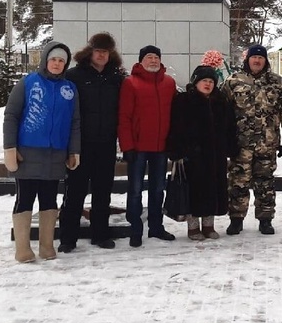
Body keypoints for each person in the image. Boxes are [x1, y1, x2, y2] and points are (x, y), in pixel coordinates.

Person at [3, 41, 81, 263]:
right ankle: (23, 249)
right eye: (53, 59)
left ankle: (47, 246)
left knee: (49, 200)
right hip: (27, 153)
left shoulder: (69, 89)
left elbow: (75, 122)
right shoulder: (28, 82)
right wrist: (10, 147)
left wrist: (74, 150)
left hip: (55, 154)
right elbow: (11, 115)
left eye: (61, 61)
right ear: (46, 60)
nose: (57, 64)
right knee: (25, 198)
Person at [58, 32, 125, 253]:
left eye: (105, 52)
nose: (101, 55)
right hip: (80, 145)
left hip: (105, 143)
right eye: (98, 51)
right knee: (75, 190)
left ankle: (100, 234)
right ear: (90, 52)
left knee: (102, 190)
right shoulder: (74, 76)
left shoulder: (116, 77)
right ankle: (68, 238)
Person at [223, 44, 282, 236]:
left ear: (265, 61)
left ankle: (265, 219)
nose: (257, 61)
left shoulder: (277, 83)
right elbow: (223, 112)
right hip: (241, 144)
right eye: (254, 58)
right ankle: (236, 219)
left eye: (261, 58)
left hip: (267, 143)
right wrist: (225, 138)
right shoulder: (233, 81)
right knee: (238, 182)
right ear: (248, 60)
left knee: (265, 183)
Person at [166, 65, 237, 241]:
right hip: (193, 155)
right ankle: (193, 227)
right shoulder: (184, 100)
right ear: (196, 82)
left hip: (215, 155)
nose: (208, 84)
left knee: (213, 189)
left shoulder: (220, 101)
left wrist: (231, 147)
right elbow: (176, 127)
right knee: (194, 191)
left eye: (211, 81)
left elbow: (230, 127)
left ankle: (208, 225)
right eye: (204, 81)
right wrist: (177, 150)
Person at [118, 45, 178, 247]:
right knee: (135, 190)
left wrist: (173, 141)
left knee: (158, 189)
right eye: (149, 57)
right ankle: (135, 228)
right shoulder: (130, 83)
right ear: (141, 60)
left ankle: (156, 227)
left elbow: (175, 116)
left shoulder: (169, 83)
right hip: (138, 147)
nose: (153, 61)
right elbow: (124, 117)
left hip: (161, 147)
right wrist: (127, 145)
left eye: (156, 57)